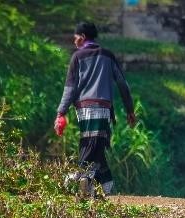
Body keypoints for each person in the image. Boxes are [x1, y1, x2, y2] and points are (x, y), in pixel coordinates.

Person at [54, 21, 136, 197]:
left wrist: (61, 112)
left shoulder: (77, 57)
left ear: (82, 37)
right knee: (96, 147)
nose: (74, 41)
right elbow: (123, 84)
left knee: (89, 147)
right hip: (104, 110)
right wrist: (130, 109)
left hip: (85, 110)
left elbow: (69, 88)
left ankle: (80, 184)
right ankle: (105, 187)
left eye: (75, 37)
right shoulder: (108, 55)